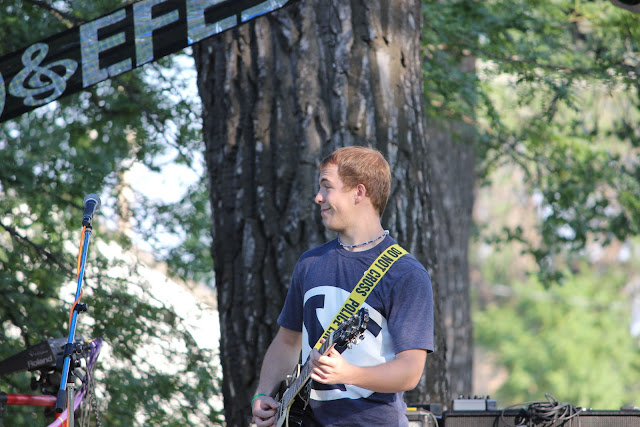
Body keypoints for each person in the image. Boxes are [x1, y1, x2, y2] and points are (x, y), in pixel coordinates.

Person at [251, 146, 434, 426]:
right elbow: (287, 341)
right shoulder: (310, 263)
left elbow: (410, 372)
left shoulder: (406, 273)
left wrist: (349, 373)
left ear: (359, 193)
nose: (318, 197)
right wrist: (263, 393)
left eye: (327, 187)